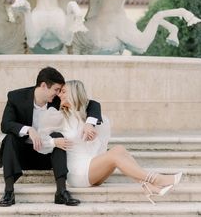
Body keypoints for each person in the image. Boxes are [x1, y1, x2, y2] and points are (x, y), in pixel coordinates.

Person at [37, 80, 182, 205]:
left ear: (74, 94)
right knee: (114, 154)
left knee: (119, 149)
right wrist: (54, 141)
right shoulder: (59, 116)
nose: (59, 95)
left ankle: (147, 186)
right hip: (77, 173)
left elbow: (97, 142)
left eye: (63, 92)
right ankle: (156, 179)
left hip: (92, 168)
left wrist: (91, 133)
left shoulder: (89, 118)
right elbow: (38, 139)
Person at [0, 67, 102, 207]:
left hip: (49, 155)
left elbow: (92, 104)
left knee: (58, 136)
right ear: (44, 86)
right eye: (57, 89)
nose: (59, 94)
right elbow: (6, 124)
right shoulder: (16, 97)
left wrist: (90, 123)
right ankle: (9, 191)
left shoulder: (56, 101)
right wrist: (29, 130)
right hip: (23, 154)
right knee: (10, 138)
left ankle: (61, 191)